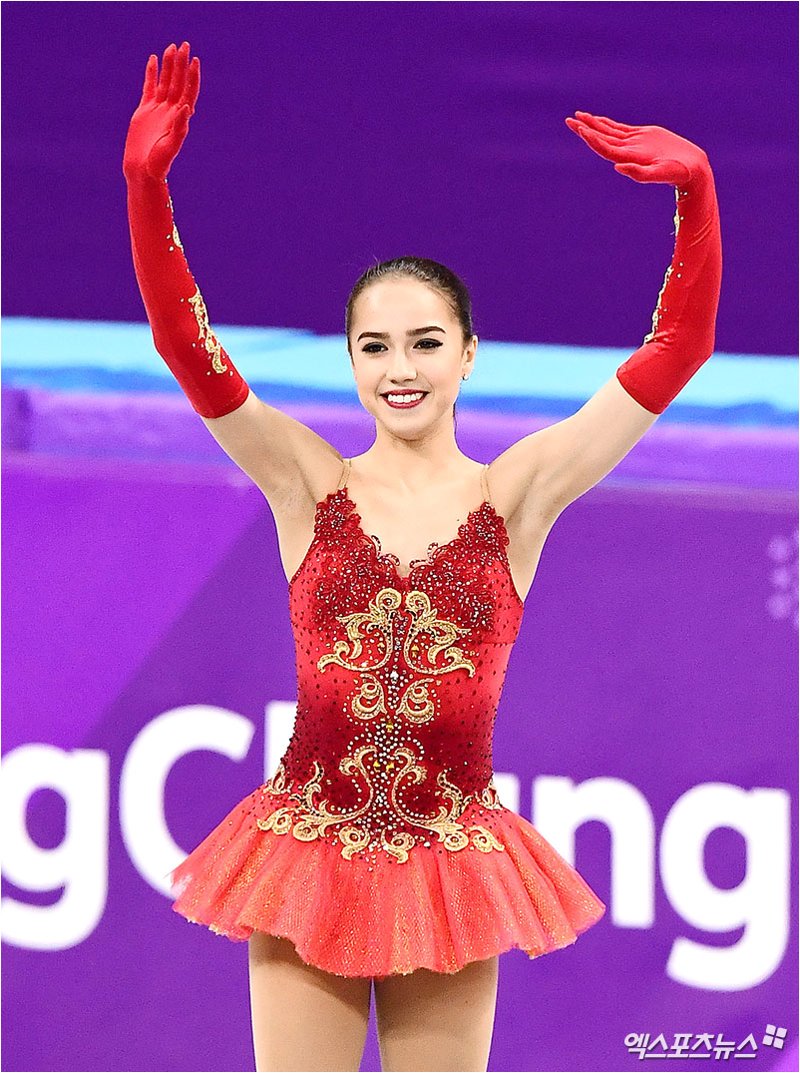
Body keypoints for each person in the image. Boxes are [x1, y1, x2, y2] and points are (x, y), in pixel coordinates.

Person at [123, 41, 722, 1073]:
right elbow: (189, 347)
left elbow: (679, 349)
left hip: (449, 863)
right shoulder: (307, 484)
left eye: (425, 342)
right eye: (374, 346)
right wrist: (145, 186)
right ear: (350, 361)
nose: (399, 369)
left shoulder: (515, 496)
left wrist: (697, 193)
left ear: (468, 353)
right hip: (307, 850)